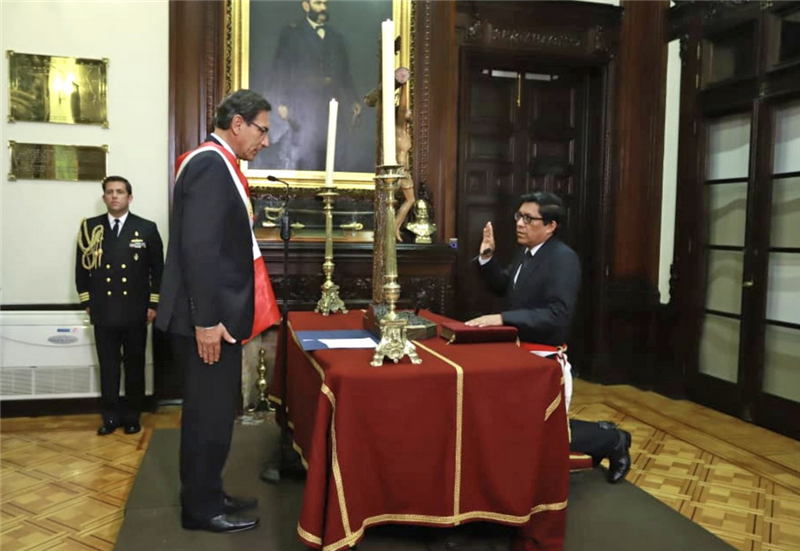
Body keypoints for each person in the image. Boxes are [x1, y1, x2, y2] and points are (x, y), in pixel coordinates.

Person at [156, 89, 280, 534]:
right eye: (263, 130)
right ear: (239, 123)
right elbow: (200, 250)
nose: (265, 141)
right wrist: (206, 321)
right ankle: (201, 509)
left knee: (215, 414)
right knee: (206, 418)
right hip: (206, 324)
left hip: (215, 321)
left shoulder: (217, 162)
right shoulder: (210, 164)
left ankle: (210, 491)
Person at [467, 191, 632, 484]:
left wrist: (504, 318)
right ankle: (605, 435)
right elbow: (506, 286)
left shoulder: (563, 259)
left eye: (529, 219)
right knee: (519, 429)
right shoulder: (526, 252)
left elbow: (557, 314)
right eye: (519, 216)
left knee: (540, 435)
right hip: (517, 356)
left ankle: (612, 440)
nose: (519, 223)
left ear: (551, 225)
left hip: (543, 359)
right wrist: (488, 258)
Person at [75, 176, 163, 436]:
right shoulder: (90, 228)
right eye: (110, 192)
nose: (115, 196)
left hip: (136, 310)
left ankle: (133, 416)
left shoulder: (145, 228)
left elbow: (158, 270)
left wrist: (153, 303)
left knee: (135, 366)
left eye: (120, 192)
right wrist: (87, 302)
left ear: (129, 197)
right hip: (104, 310)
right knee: (109, 367)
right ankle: (110, 416)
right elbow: (81, 269)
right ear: (104, 198)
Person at [269, 0, 362, 171]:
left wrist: (354, 100)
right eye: (318, 3)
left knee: (332, 157)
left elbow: (345, 76)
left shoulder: (336, 38)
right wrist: (281, 103)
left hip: (332, 108)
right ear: (306, 6)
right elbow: (281, 70)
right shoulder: (291, 34)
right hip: (302, 107)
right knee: (305, 157)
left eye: (325, 4)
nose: (323, 8)